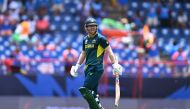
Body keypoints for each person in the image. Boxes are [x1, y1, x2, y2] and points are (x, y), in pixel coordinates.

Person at [70, 17, 122, 109]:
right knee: (93, 93)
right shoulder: (85, 39)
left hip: (96, 67)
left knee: (86, 89)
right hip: (87, 68)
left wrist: (114, 65)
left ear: (96, 27)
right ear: (86, 28)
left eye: (94, 26)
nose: (92, 28)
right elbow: (83, 53)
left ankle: (98, 106)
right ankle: (98, 106)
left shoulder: (101, 38)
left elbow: (109, 51)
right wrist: (77, 66)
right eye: (90, 26)